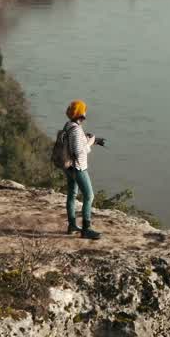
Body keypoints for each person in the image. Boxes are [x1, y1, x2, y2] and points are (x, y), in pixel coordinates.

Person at [61, 99, 101, 240]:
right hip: (78, 167)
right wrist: (90, 142)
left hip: (69, 167)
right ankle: (86, 229)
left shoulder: (69, 125)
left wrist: (89, 140)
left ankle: (72, 225)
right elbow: (78, 151)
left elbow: (73, 144)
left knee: (72, 195)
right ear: (81, 114)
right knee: (89, 196)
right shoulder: (77, 130)